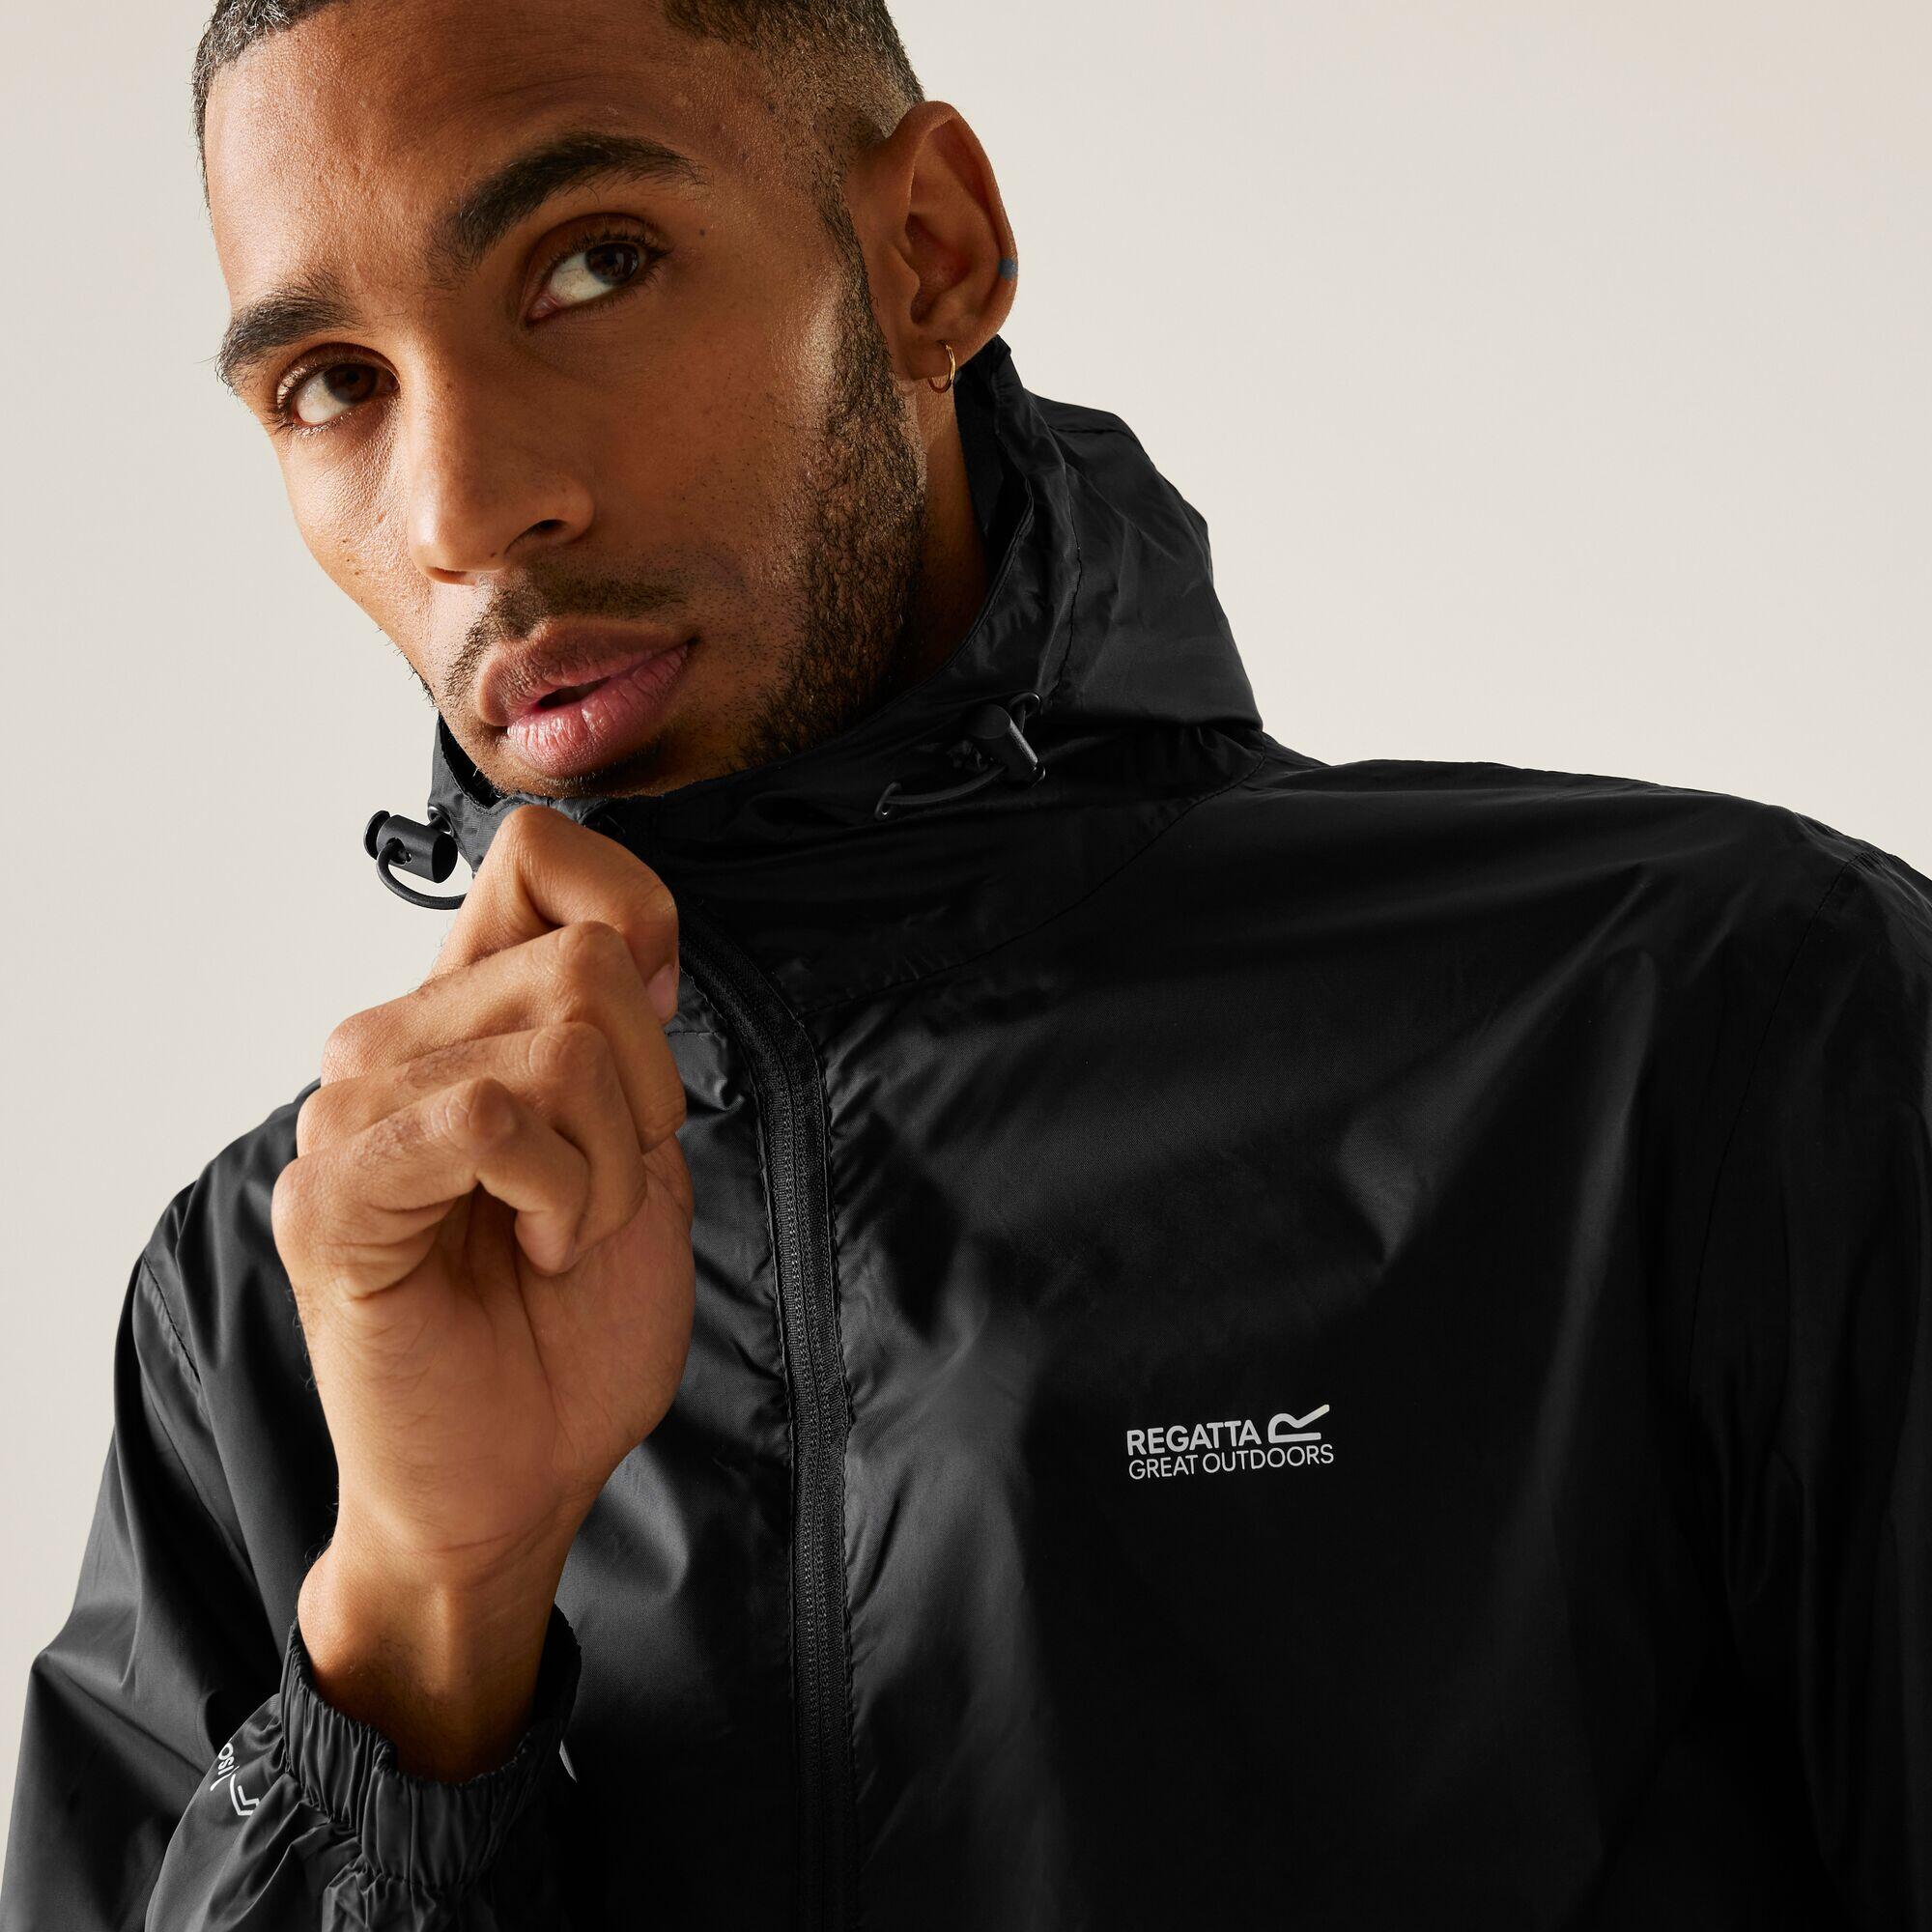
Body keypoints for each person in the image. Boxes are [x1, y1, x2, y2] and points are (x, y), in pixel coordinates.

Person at [4, 0, 1928, 1923]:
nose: (461, 511)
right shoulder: (270, 1298)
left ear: (928, 254)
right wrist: (422, 1623)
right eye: (332, 384)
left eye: (592, 267)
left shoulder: (1713, 1023)